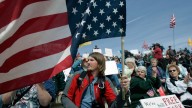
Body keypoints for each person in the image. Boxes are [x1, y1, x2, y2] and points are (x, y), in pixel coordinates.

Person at [61, 52, 129, 108]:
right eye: (88, 60)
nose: (88, 62)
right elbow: (65, 97)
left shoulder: (106, 81)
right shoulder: (78, 76)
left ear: (99, 64)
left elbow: (114, 105)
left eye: (91, 60)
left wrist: (124, 92)